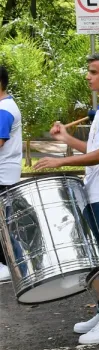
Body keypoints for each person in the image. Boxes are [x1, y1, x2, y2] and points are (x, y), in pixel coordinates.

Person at [36, 51, 99, 345]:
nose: (88, 76)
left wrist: (60, 162)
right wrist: (67, 140)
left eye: (93, 72)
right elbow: (96, 148)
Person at [0, 65, 22, 283]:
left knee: (3, 223)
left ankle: (7, 266)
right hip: (5, 174)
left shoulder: (4, 110)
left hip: (2, 175)